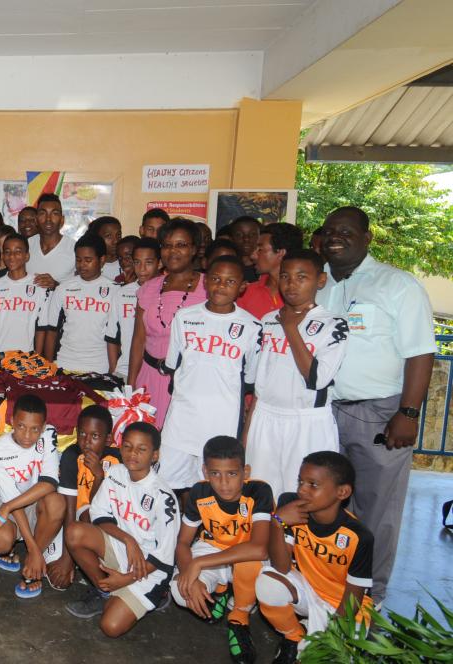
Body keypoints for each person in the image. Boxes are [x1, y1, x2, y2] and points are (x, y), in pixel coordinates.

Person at [316, 206, 435, 602]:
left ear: (367, 238)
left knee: (377, 510)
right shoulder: (320, 284)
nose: (336, 236)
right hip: (323, 413)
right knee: (325, 506)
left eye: (347, 231)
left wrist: (408, 413)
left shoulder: (397, 285)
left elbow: (420, 353)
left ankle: (368, 598)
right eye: (331, 230)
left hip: (380, 415)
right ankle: (326, 587)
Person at [246, 250, 349, 499]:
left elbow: (316, 379)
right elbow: (259, 384)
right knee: (261, 494)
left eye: (301, 277)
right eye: (285, 276)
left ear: (320, 281)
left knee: (303, 496)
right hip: (266, 417)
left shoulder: (334, 324)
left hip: (306, 421)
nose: (291, 284)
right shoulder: (268, 320)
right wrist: (247, 432)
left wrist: (291, 327)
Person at [256, 452, 373, 664]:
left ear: (342, 492)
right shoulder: (291, 506)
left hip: (345, 611)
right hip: (309, 591)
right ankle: (294, 635)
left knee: (323, 658)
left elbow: (352, 599)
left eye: (313, 484)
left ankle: (310, 634)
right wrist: (277, 522)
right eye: (301, 481)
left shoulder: (358, 536)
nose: (302, 489)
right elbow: (281, 567)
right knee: (268, 582)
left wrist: (326, 641)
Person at [63, 422, 178, 637]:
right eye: (127, 446)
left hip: (149, 569)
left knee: (110, 627)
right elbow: (99, 515)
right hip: (121, 548)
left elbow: (164, 556)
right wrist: (128, 540)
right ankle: (105, 590)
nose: (132, 453)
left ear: (155, 455)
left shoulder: (163, 497)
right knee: (74, 532)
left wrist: (125, 579)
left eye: (141, 449)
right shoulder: (116, 473)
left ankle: (153, 594)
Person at [159, 256, 259, 492]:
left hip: (220, 422)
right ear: (205, 282)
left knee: (211, 490)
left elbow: (250, 380)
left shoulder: (252, 327)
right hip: (181, 421)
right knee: (165, 484)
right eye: (215, 278)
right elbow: (174, 365)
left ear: (242, 287)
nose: (221, 285)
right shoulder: (184, 317)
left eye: (230, 281)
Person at [172, 436, 273, 664]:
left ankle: (239, 619)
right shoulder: (199, 492)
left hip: (246, 557)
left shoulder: (259, 491)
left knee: (249, 563)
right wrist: (190, 573)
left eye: (232, 474)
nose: (224, 483)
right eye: (215, 474)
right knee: (181, 591)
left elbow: (259, 549)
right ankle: (220, 587)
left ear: (245, 472)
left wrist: (198, 565)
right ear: (205, 473)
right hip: (213, 549)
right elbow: (183, 543)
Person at [127, 219, 208, 428]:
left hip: (188, 383)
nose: (173, 251)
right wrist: (131, 386)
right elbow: (138, 340)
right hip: (148, 378)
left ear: (195, 249)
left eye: (181, 245)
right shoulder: (148, 288)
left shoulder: (209, 288)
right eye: (167, 245)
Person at [0, 395, 66, 599]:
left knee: (56, 502)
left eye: (35, 429)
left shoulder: (48, 435)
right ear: (11, 421)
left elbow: (49, 484)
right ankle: (23, 550)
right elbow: (12, 503)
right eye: (21, 426)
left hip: (35, 502)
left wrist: (32, 552)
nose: (28, 436)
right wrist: (33, 548)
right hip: (11, 505)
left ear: (44, 426)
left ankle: (32, 565)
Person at [55, 405, 122, 590]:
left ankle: (107, 571)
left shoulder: (117, 460)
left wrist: (99, 476)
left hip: (113, 515)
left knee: (93, 517)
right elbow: (70, 506)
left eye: (95, 436)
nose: (86, 442)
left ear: (108, 439)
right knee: (86, 516)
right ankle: (97, 576)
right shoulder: (71, 455)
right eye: (82, 434)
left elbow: (107, 506)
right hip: (82, 514)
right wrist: (66, 557)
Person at [41, 234, 123, 374]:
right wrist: (49, 368)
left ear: (102, 260)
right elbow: (51, 331)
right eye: (78, 260)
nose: (82, 265)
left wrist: (112, 371)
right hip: (65, 364)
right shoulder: (63, 289)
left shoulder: (115, 291)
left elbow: (115, 338)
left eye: (88, 260)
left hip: (100, 367)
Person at [0, 233, 50, 354]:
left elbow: (41, 328)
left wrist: (36, 358)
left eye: (17, 251)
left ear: (27, 256)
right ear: (3, 256)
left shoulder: (40, 286)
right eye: (7, 252)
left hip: (27, 357)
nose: (12, 256)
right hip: (0, 357)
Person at [237, 223, 304, 320]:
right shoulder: (246, 292)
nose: (253, 256)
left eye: (260, 249)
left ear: (280, 252)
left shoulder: (304, 294)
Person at [115, 238, 161, 379]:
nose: (142, 269)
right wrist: (113, 370)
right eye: (137, 262)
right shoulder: (123, 292)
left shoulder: (166, 293)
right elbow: (112, 337)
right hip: (124, 369)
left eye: (148, 263)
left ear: (160, 263)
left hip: (154, 370)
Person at [28, 193, 75, 288]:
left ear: (62, 220)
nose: (48, 219)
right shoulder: (26, 245)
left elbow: (82, 288)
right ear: (36, 220)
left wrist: (56, 286)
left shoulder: (74, 248)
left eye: (54, 213)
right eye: (43, 213)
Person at [228, 216, 261, 283]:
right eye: (239, 235)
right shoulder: (227, 266)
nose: (246, 239)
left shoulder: (265, 268)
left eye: (252, 234)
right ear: (231, 238)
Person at [89, 216, 123, 281]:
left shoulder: (127, 263)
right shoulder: (91, 266)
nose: (116, 241)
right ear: (97, 238)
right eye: (109, 236)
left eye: (118, 235)